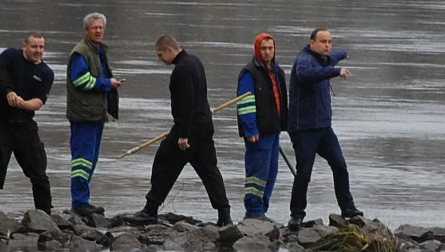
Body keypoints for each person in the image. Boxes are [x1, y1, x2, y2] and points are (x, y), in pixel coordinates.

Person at [125, 35, 231, 227]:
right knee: (209, 171)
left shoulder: (182, 70)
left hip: (189, 129)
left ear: (170, 50)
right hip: (205, 126)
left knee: (164, 163)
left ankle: (150, 210)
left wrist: (183, 135)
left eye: (160, 54)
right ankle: (225, 215)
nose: (159, 59)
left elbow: (188, 103)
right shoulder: (195, 62)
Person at [286, 27, 362, 230]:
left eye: (329, 42)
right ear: (312, 43)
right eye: (322, 42)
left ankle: (348, 208)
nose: (327, 45)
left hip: (324, 128)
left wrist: (344, 53)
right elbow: (307, 75)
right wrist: (336, 71)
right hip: (303, 128)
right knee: (304, 173)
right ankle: (296, 215)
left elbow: (334, 57)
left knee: (340, 166)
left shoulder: (325, 58)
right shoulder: (305, 61)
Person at [0, 32, 54, 217]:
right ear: (24, 46)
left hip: (24, 124)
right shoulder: (11, 56)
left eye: (41, 47)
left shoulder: (46, 73)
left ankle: (45, 214)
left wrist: (22, 103)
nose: (38, 51)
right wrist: (8, 91)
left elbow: (39, 102)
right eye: (34, 46)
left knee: (39, 172)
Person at [66, 13, 123, 218]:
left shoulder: (97, 51)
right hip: (83, 116)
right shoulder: (81, 52)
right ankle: (80, 202)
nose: (98, 31)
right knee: (82, 160)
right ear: (86, 30)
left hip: (95, 115)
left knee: (90, 160)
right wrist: (107, 83)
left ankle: (83, 201)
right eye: (94, 28)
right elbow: (81, 80)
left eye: (101, 28)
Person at [236, 32, 288, 220]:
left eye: (270, 48)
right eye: (263, 49)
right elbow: (245, 102)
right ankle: (253, 211)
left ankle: (262, 210)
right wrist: (251, 129)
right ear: (257, 50)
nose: (267, 52)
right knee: (256, 173)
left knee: (271, 172)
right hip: (258, 133)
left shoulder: (277, 71)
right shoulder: (250, 72)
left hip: (273, 130)